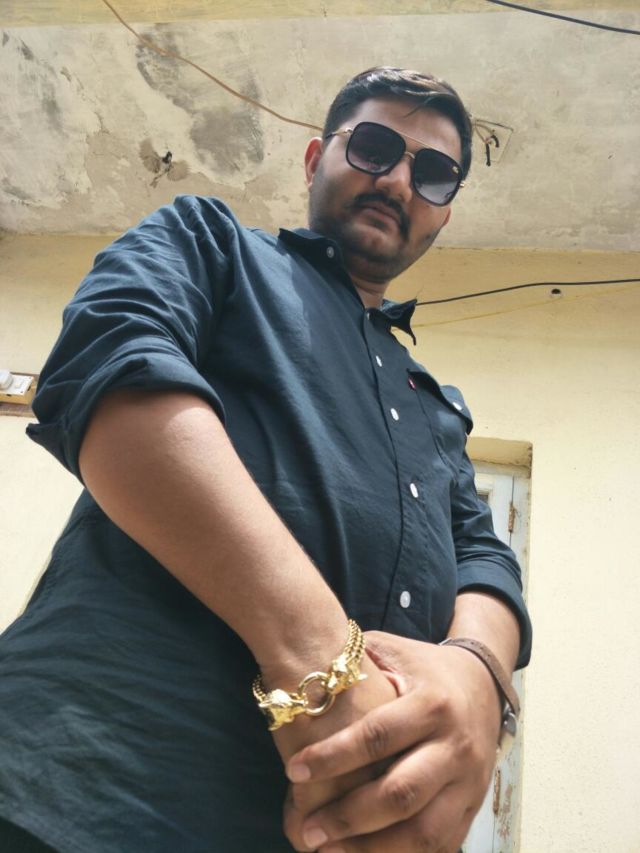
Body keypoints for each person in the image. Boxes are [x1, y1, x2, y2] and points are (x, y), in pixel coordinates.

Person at [0, 67, 531, 853]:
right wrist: (324, 666)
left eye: (433, 172)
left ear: (444, 212)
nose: (398, 180)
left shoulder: (437, 407)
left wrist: (478, 674)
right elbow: (110, 364)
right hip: (90, 788)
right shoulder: (210, 243)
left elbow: (486, 555)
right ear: (316, 159)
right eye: (375, 146)